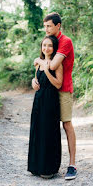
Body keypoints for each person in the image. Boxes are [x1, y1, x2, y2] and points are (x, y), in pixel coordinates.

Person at [33, 12, 77, 180]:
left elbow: (52, 64)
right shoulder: (51, 42)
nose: (46, 29)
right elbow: (44, 65)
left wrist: (38, 59)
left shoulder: (65, 42)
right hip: (47, 93)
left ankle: (72, 165)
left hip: (62, 90)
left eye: (49, 26)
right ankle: (46, 164)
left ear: (58, 26)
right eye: (44, 26)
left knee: (66, 125)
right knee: (48, 128)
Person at [28, 35, 63, 178]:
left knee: (48, 131)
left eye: (49, 45)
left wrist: (47, 70)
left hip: (51, 100)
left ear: (54, 48)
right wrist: (33, 82)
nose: (46, 48)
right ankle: (36, 167)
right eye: (44, 45)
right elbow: (37, 80)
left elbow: (58, 84)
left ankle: (49, 169)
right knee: (37, 129)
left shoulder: (56, 64)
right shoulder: (38, 63)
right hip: (39, 99)